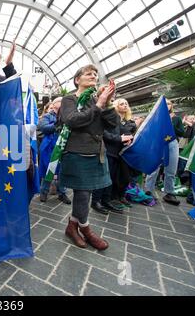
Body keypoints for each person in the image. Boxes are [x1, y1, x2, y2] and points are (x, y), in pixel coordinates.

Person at [59, 64, 117, 250]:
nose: (93, 75)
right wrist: (99, 105)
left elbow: (113, 124)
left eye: (95, 74)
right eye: (88, 74)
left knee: (86, 193)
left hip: (96, 153)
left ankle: (72, 226)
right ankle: (86, 229)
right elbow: (72, 120)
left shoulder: (96, 100)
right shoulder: (70, 99)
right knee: (83, 193)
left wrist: (106, 103)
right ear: (77, 80)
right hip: (77, 153)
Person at [144, 100, 181, 206]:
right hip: (158, 143)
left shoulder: (176, 118)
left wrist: (171, 124)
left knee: (171, 169)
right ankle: (148, 190)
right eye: (165, 103)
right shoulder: (156, 116)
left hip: (172, 143)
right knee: (154, 167)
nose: (167, 105)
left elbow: (182, 132)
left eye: (169, 103)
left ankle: (169, 193)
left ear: (171, 106)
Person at [38, 97, 71, 204]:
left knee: (63, 170)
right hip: (49, 147)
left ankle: (62, 193)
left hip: (63, 146)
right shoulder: (47, 116)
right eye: (61, 101)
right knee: (49, 169)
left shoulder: (68, 115)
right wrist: (58, 124)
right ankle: (44, 191)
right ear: (55, 104)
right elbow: (44, 128)